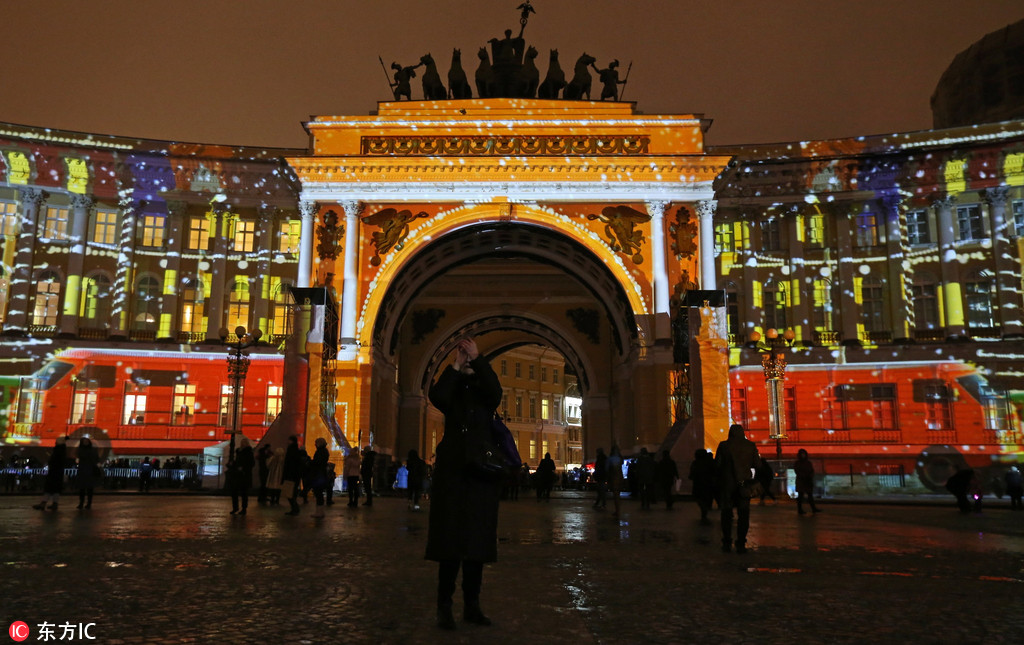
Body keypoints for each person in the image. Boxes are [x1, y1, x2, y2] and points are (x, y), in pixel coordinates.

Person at [425, 336, 503, 630]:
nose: (468, 361)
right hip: (453, 474)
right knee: (450, 544)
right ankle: (444, 606)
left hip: (481, 474)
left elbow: (496, 393)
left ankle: (472, 604)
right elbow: (438, 397)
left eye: (470, 358)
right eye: (465, 358)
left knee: (477, 545)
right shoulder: (453, 388)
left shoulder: (485, 390)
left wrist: (479, 359)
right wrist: (455, 365)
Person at [715, 424, 761, 553]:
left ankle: (727, 540)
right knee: (744, 514)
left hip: (727, 484)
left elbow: (717, 465)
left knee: (726, 514)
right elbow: (758, 464)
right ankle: (741, 541)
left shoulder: (724, 446)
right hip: (744, 484)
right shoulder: (750, 446)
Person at [33, 436, 67, 511]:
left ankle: (44, 503)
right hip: (58, 472)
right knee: (56, 489)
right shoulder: (62, 450)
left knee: (49, 488)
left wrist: (50, 463)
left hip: (54, 472)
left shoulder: (58, 450)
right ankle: (54, 503)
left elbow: (54, 461)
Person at [229, 437, 256, 516]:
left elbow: (251, 463)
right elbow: (237, 462)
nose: (243, 444)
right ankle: (235, 507)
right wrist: (233, 465)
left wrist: (243, 468)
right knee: (235, 491)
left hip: (244, 475)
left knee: (244, 493)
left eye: (244, 442)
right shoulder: (238, 451)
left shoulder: (249, 452)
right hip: (237, 474)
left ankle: (243, 508)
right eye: (242, 442)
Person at [689, 449, 715, 525]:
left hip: (698, 484)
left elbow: (692, 473)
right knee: (706, 498)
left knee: (699, 498)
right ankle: (705, 510)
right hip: (708, 484)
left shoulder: (695, 463)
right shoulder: (709, 463)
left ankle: (704, 510)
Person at [75, 437, 100, 510]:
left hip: (88, 470)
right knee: (82, 489)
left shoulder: (83, 450)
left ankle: (88, 503)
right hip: (84, 470)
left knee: (89, 489)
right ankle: (82, 503)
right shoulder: (86, 450)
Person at [793, 449, 820, 515]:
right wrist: (805, 476)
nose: (803, 455)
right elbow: (797, 471)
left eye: (804, 454)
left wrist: (810, 476)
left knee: (809, 495)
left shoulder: (807, 463)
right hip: (802, 481)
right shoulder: (799, 463)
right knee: (801, 496)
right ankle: (800, 509)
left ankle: (813, 508)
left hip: (807, 480)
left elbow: (811, 470)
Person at [282, 435, 303, 516]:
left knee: (290, 493)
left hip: (290, 475)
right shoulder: (296, 450)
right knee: (291, 493)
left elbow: (289, 464)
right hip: (295, 475)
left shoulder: (291, 450)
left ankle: (295, 508)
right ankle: (295, 508)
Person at [310, 437, 330, 518]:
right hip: (321, 474)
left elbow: (317, 462)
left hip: (319, 474)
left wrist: (311, 463)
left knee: (318, 493)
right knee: (319, 493)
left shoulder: (320, 452)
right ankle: (320, 511)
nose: (315, 444)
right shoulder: (324, 451)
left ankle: (319, 511)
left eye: (316, 443)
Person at [607, 445, 624, 519]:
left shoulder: (610, 459)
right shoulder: (620, 459)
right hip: (620, 477)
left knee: (615, 495)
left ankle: (617, 510)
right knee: (618, 495)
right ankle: (618, 509)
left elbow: (607, 469)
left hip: (613, 477)